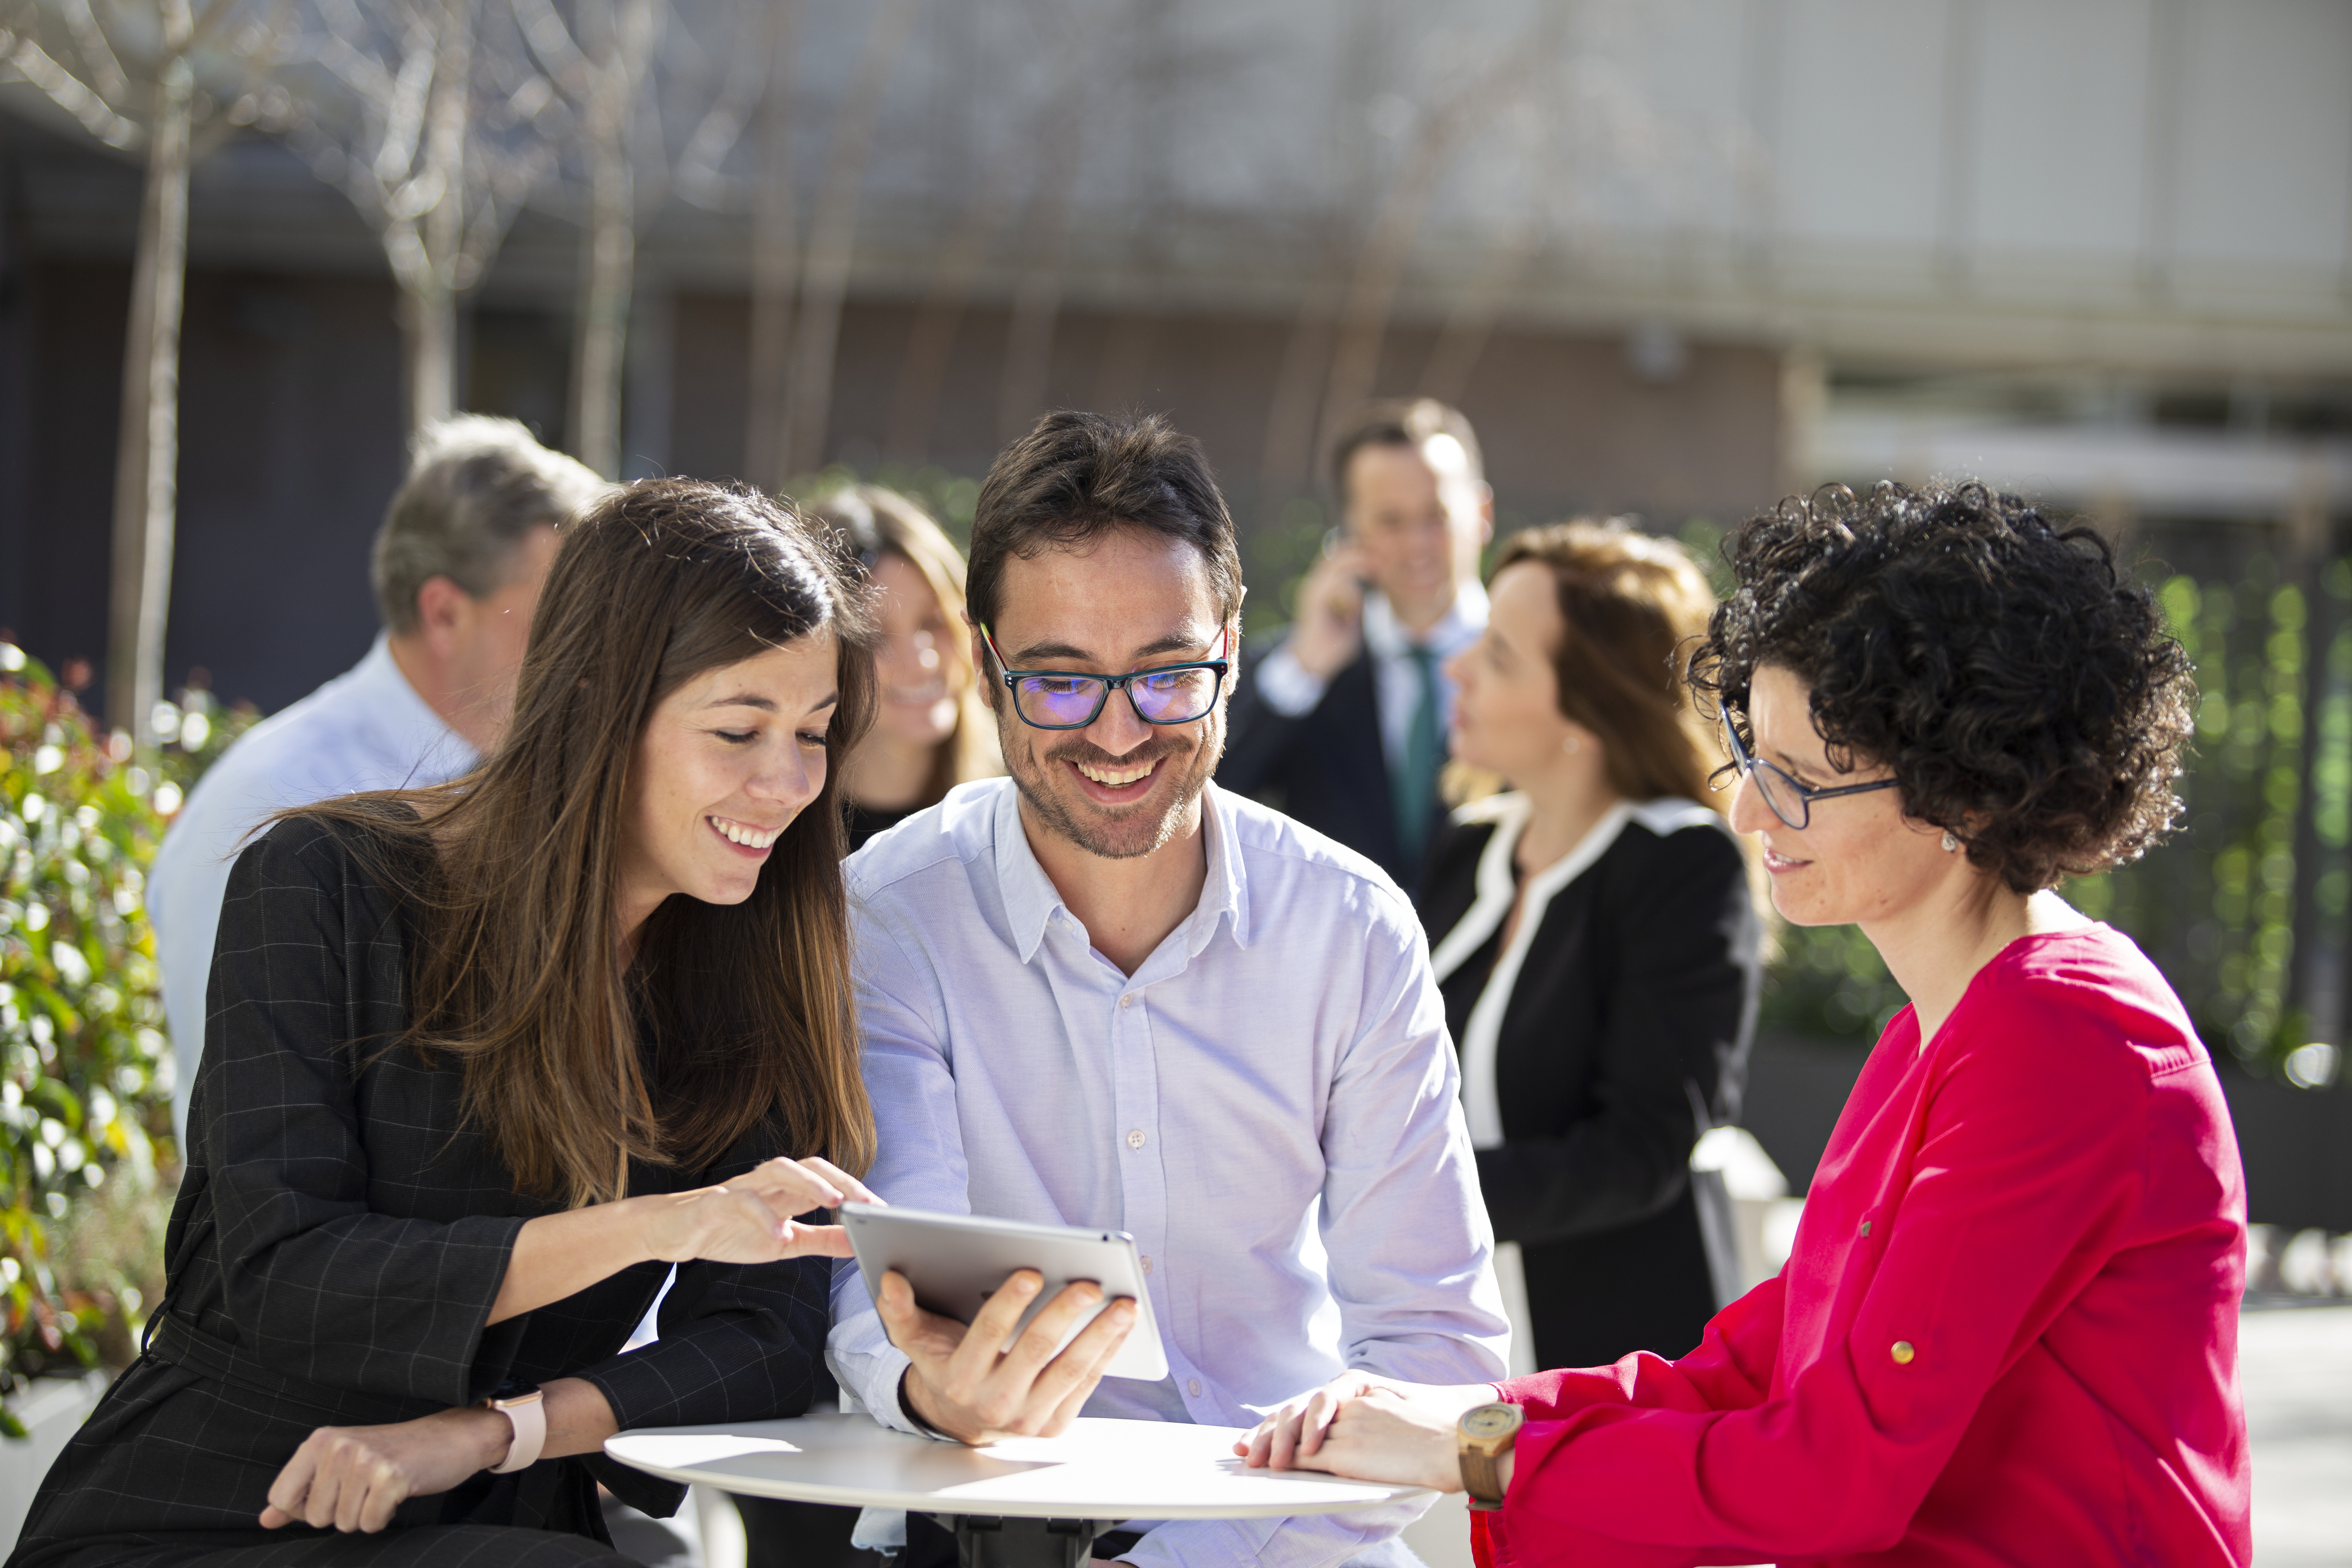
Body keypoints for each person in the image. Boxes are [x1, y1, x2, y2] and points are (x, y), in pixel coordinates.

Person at [1240, 482, 2250, 1567]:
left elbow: (1832, 1472)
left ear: (1967, 794)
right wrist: (1464, 1417)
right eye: (1747, 755)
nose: (1746, 812)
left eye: (1800, 781)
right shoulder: (1947, 1029)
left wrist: (1476, 1449)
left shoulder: (2059, 1042)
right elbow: (1750, 1366)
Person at [10, 480, 906, 1568]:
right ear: (594, 702)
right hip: (222, 1507)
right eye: (737, 729)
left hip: (501, 1514)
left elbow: (759, 1341)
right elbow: (295, 1280)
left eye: (813, 734)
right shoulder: (324, 883)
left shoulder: (745, 965)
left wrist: (494, 1434)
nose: (787, 783)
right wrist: (664, 1225)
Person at [828, 410, 1509, 1568]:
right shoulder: (889, 917)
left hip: (1295, 1539)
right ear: (989, 662)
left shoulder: (1351, 929)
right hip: (992, 1530)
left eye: (1166, 676)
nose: (1116, 732)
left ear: (1233, 649)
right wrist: (941, 1391)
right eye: (1056, 682)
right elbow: (880, 1296)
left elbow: (1436, 1357)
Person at [149, 414, 608, 1137]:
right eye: (560, 617)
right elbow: (248, 1144)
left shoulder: (537, 782)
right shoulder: (277, 800)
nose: (588, 654)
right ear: (444, 612)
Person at [1420, 521, 1760, 1375]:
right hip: (1445, 1340)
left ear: (1587, 706)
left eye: (1498, 655)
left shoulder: (1680, 862)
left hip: (1612, 1367)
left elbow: (1644, 1148)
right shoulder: (1472, 843)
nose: (1457, 668)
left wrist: (1412, 1201)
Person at [1221, 398, 1492, 889]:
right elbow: (1205, 801)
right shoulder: (1297, 672)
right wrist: (1306, 667)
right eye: (1391, 521)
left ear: (1482, 513)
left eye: (1437, 515)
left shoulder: (1544, 665)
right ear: (1349, 531)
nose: (1418, 544)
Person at [806, 484, 1001, 851]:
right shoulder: (768, 843)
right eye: (874, 635)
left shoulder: (1019, 819)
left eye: (933, 621)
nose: (921, 661)